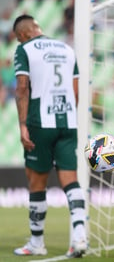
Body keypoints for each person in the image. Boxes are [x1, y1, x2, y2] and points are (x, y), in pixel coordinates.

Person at [12, 14, 87, 258]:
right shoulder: (67, 49)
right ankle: (79, 236)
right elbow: (75, 92)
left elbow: (22, 87)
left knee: (37, 181)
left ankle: (36, 242)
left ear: (22, 34)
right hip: (68, 121)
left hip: (40, 123)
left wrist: (23, 124)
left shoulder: (24, 49)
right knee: (70, 180)